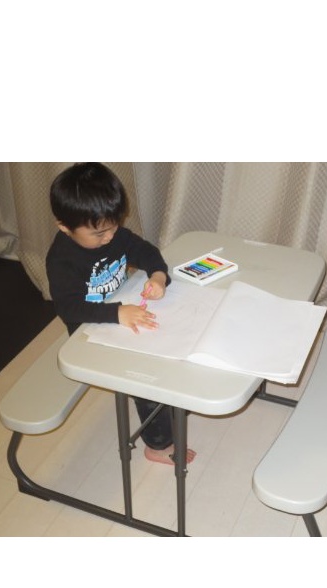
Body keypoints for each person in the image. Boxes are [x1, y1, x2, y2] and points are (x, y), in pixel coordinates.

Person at [46, 162, 196, 466]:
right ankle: (158, 444)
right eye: (99, 233)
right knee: (141, 375)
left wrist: (158, 276)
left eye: (114, 227)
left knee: (174, 339)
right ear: (64, 226)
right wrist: (117, 314)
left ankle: (175, 397)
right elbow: (69, 307)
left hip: (122, 311)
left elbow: (145, 251)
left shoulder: (113, 234)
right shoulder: (62, 260)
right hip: (88, 330)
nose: (110, 237)